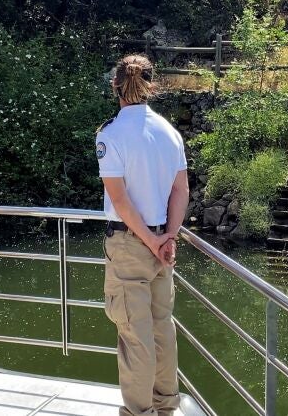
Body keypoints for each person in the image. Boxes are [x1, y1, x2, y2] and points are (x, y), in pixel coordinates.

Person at [96, 54, 189, 416]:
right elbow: (180, 190)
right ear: (152, 85)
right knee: (162, 330)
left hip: (130, 243)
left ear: (115, 86)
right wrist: (169, 237)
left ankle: (139, 413)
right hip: (162, 243)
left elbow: (119, 199)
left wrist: (152, 241)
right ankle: (166, 408)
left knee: (136, 336)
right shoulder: (169, 131)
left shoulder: (111, 134)